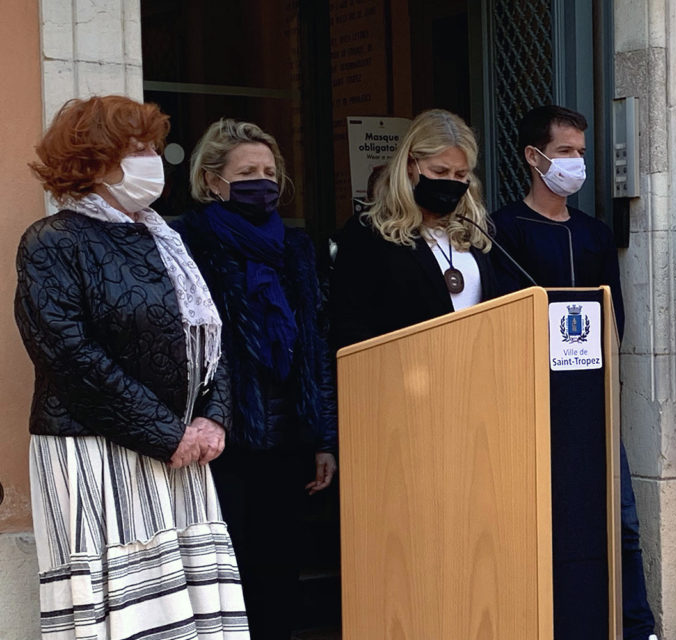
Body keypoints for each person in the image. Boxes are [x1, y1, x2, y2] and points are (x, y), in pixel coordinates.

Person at [17, 95, 247, 638]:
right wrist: (168, 433)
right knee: (121, 607)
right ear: (91, 161)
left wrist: (213, 417)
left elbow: (209, 337)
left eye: (150, 146)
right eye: (135, 149)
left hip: (180, 450)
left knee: (186, 612)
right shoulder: (52, 242)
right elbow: (68, 356)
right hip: (94, 451)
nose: (152, 159)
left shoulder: (165, 238)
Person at [490, 105, 655, 640]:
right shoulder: (503, 228)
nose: (576, 163)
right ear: (533, 157)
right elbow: (502, 318)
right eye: (565, 152)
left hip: (595, 404)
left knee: (621, 523)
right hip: (534, 406)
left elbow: (615, 318)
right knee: (544, 524)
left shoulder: (594, 233)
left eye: (581, 153)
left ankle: (635, 626)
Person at [173, 118, 338, 638]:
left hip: (287, 437)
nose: (262, 181)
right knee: (226, 572)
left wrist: (322, 439)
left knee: (279, 573)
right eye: (247, 171)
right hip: (222, 439)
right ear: (212, 180)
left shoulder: (296, 249)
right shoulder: (187, 244)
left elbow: (316, 347)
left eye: (269, 171)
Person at [330, 109, 498, 349]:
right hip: (402, 375)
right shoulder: (369, 233)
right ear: (410, 165)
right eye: (439, 171)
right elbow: (350, 325)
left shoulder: (473, 232)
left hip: (475, 372)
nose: (450, 181)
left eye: (460, 174)